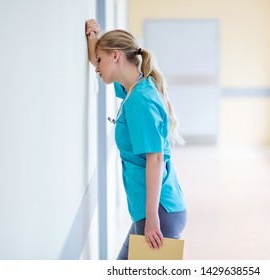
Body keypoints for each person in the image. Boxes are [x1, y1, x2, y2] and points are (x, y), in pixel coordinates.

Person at [85, 19, 187, 260]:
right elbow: (98, 62)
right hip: (153, 209)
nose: (96, 68)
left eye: (100, 60)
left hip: (158, 212)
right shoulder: (135, 86)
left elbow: (155, 158)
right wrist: (93, 39)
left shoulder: (139, 100)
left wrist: (152, 218)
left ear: (116, 56)